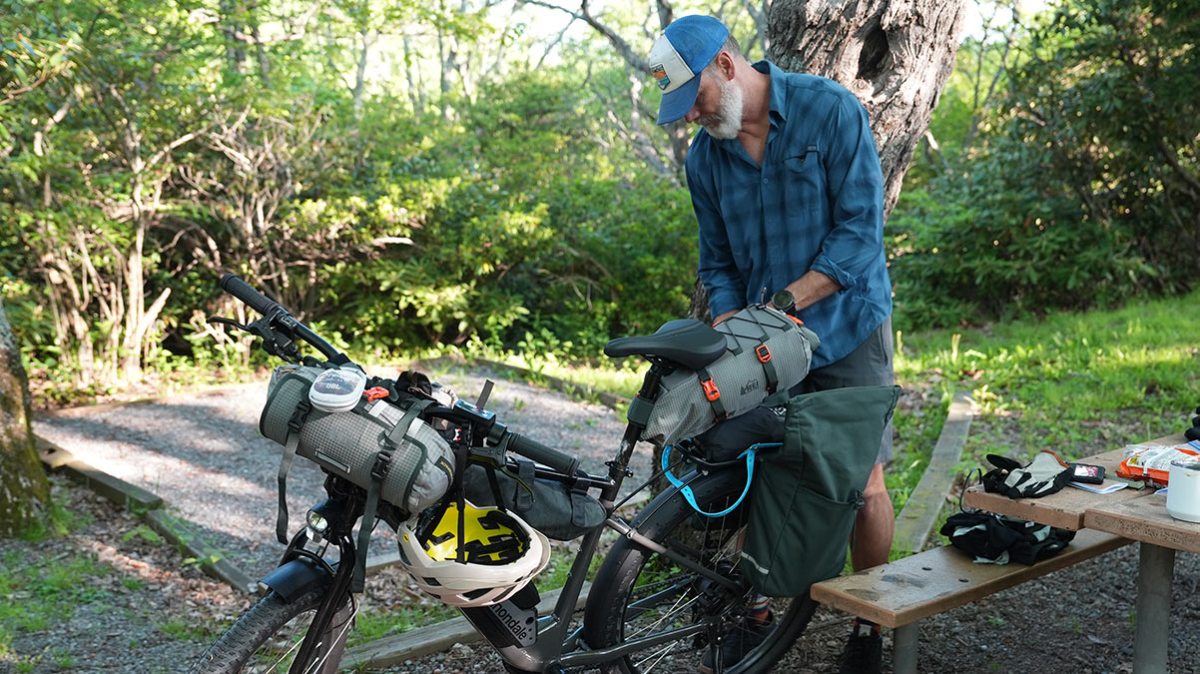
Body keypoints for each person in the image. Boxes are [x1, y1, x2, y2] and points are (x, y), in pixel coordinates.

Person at [648, 14, 896, 674]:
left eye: (693, 97)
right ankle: (752, 611)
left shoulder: (828, 111)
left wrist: (785, 304)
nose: (692, 116)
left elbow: (859, 236)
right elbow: (718, 262)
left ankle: (870, 628)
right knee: (757, 471)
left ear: (726, 66)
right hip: (764, 345)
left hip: (846, 329)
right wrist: (734, 322)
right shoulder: (706, 158)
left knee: (863, 483)